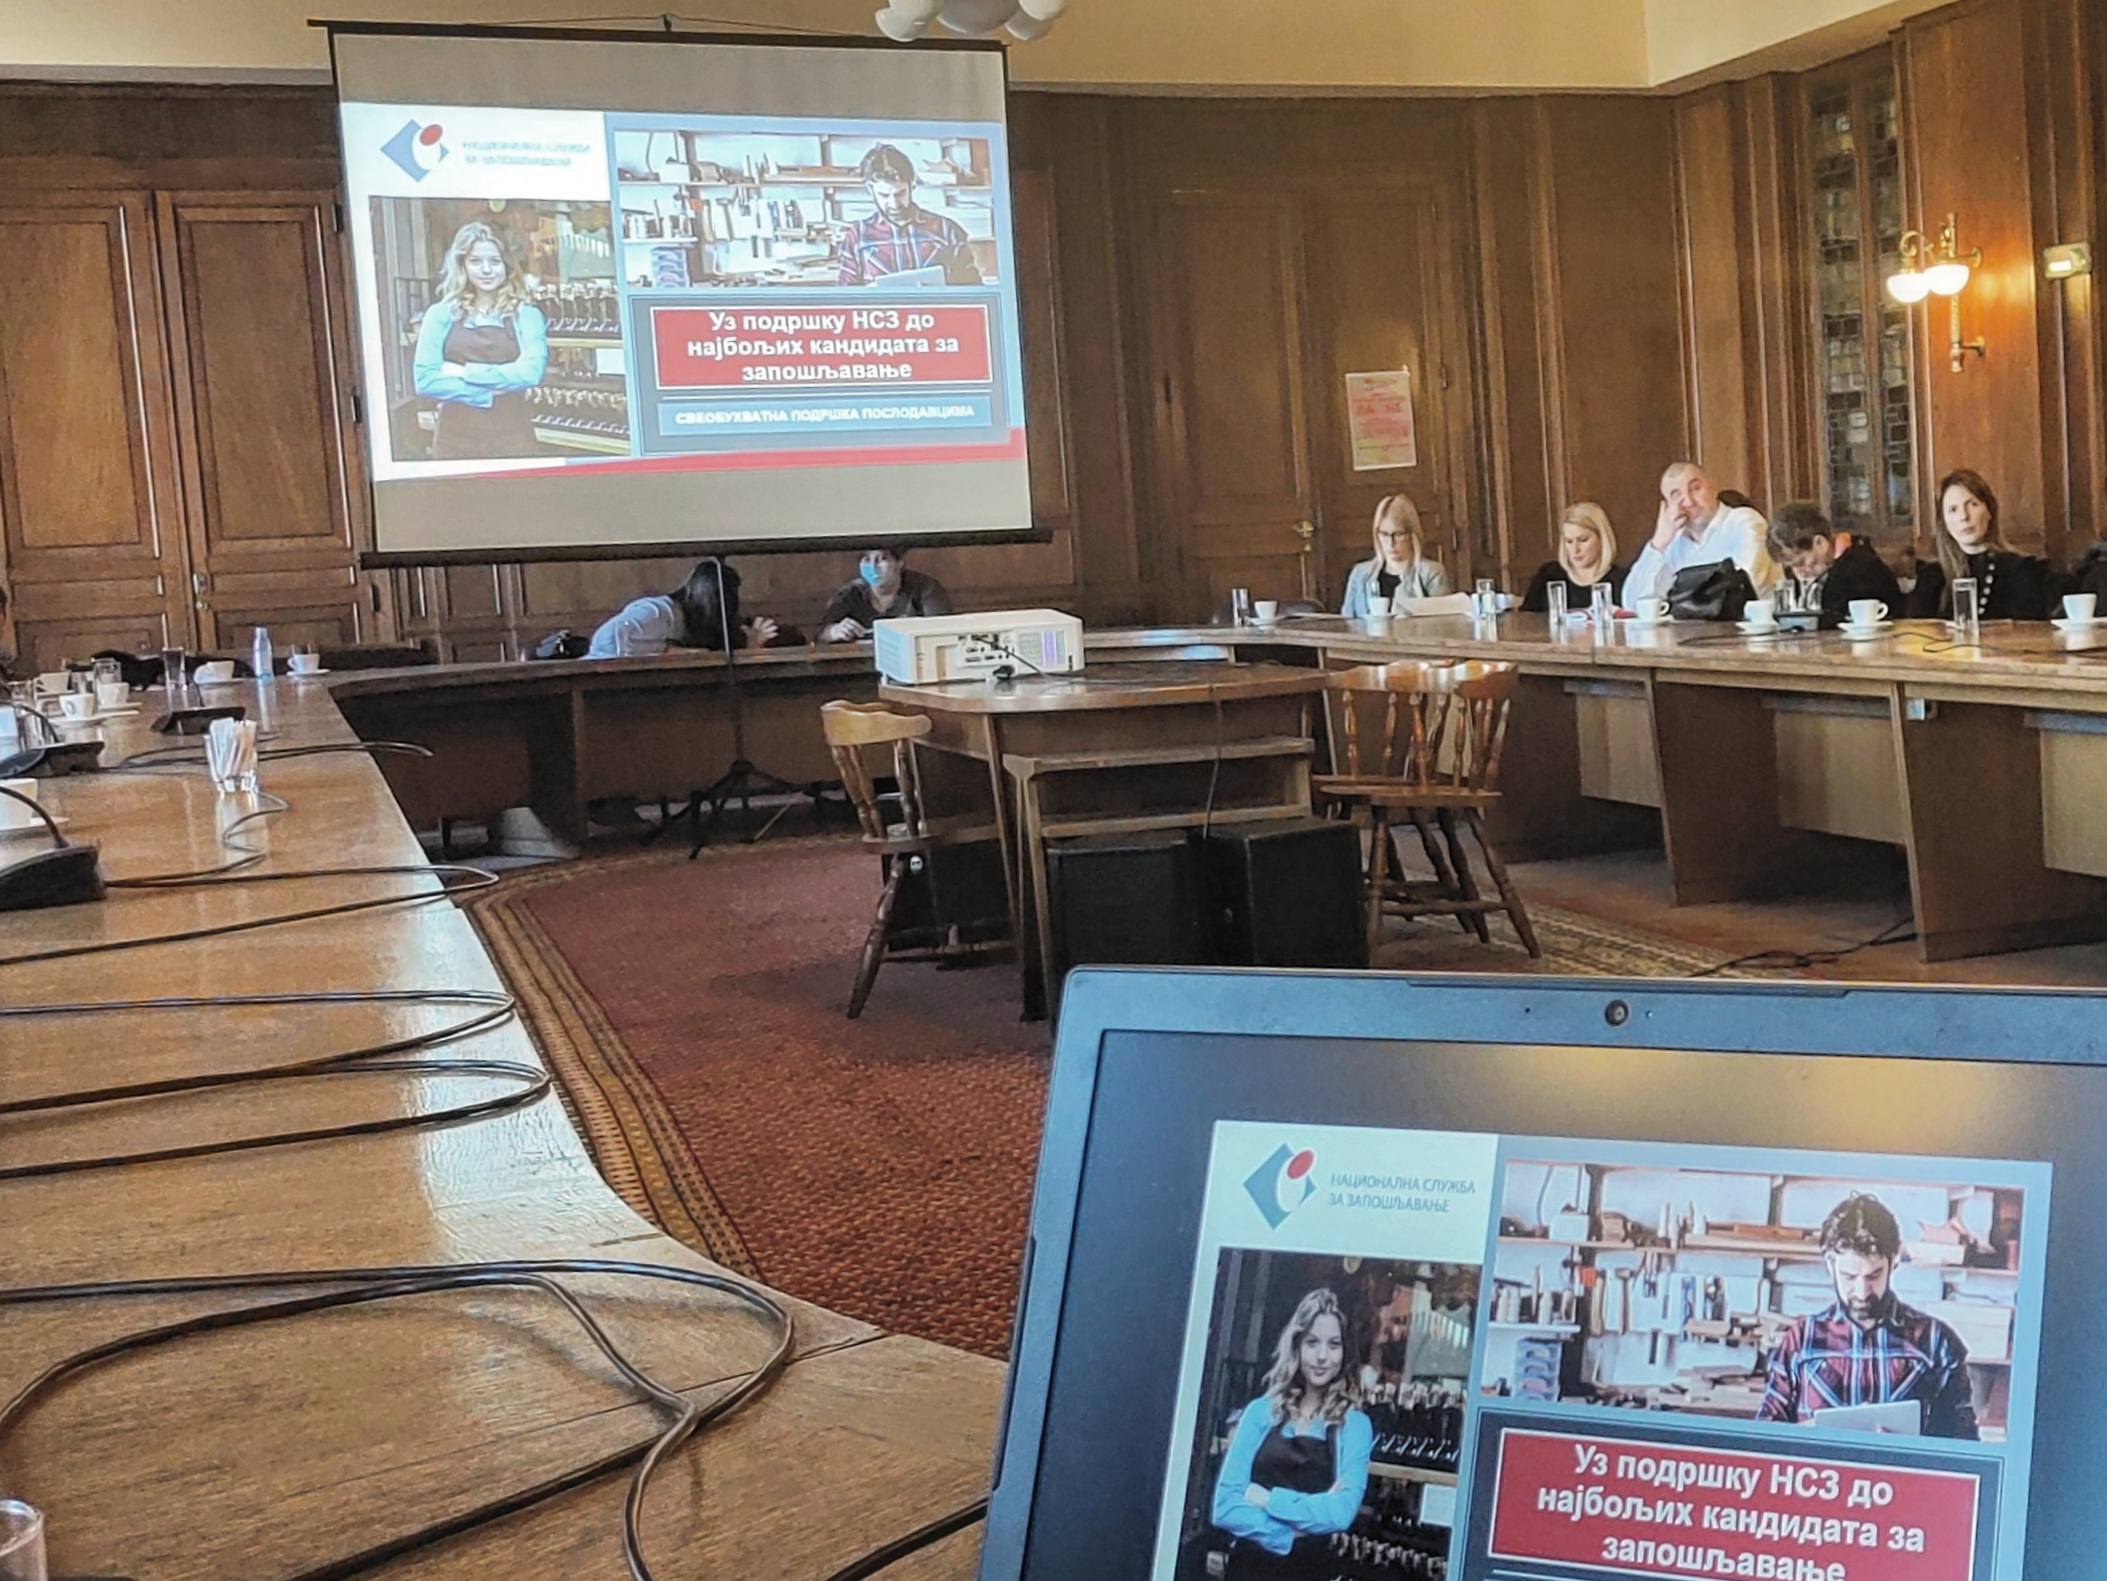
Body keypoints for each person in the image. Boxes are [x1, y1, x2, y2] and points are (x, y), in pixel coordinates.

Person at [1756, 1193, 1978, 1440]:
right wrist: (1811, 1433)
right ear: (1830, 1264)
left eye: (1873, 1276)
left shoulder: (1936, 1341)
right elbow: (1765, 1437)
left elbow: (1963, 1443)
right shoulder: (1801, 1339)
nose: (1862, 1292)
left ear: (1894, 1262)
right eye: (1849, 1277)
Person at [1210, 1288, 1374, 1579]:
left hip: (1309, 1572)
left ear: (1345, 1352)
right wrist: (1289, 1535)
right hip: (1247, 1571)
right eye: (1312, 1342)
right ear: (1296, 1346)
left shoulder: (1355, 1425)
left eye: (1334, 1345)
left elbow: (1340, 1513)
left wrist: (1266, 1500)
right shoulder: (1260, 1412)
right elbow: (1225, 1507)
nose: (1322, 1356)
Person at [413, 221, 549, 461]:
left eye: (494, 261)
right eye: (475, 261)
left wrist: (463, 372)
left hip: (513, 437)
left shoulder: (527, 315)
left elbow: (531, 373)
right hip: (454, 440)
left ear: (507, 265)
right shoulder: (439, 314)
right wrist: (489, 393)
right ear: (462, 265)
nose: (486, 270)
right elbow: (425, 381)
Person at [1906, 469, 2055, 621]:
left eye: (1973, 504)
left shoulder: (2021, 570)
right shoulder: (1931, 575)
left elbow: (2032, 630)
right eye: (1953, 509)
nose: (1964, 516)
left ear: (1990, 511)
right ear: (1943, 522)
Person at [1621, 462, 1778, 606]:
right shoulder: (1673, 543)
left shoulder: (1745, 522)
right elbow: (1633, 604)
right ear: (1668, 506)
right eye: (1676, 495)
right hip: (1691, 628)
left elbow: (1743, 586)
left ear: (1713, 488)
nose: (1689, 502)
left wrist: (1679, 599)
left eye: (1695, 488)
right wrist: (1658, 543)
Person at [837, 145, 982, 286]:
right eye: (884, 195)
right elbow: (845, 296)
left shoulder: (947, 230)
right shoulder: (857, 236)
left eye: (900, 193)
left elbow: (972, 289)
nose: (894, 204)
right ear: (870, 190)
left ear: (912, 185)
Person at [586, 559, 779, 659]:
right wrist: (669, 652)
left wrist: (752, 643)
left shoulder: (693, 626)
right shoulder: (658, 611)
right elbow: (609, 640)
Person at [1768, 502, 1904, 628]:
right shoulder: (1813, 572)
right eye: (1791, 567)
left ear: (1820, 543)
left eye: (1801, 563)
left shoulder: (1863, 568)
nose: (1799, 572)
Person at [1340, 496, 1450, 617]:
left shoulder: (1432, 573)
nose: (1391, 543)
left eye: (1398, 534)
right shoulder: (1360, 574)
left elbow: (1443, 622)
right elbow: (1347, 621)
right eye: (1384, 534)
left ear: (1412, 535)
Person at [818, 544, 953, 642]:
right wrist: (834, 631)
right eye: (866, 560)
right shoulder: (850, 593)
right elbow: (821, 634)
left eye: (882, 559)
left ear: (899, 564)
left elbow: (944, 631)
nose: (873, 567)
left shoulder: (926, 588)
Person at [1520, 503, 1626, 614]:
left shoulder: (1621, 581)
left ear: (1602, 538)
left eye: (1583, 540)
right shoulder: (1548, 575)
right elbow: (1526, 619)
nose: (1575, 549)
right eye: (1569, 541)